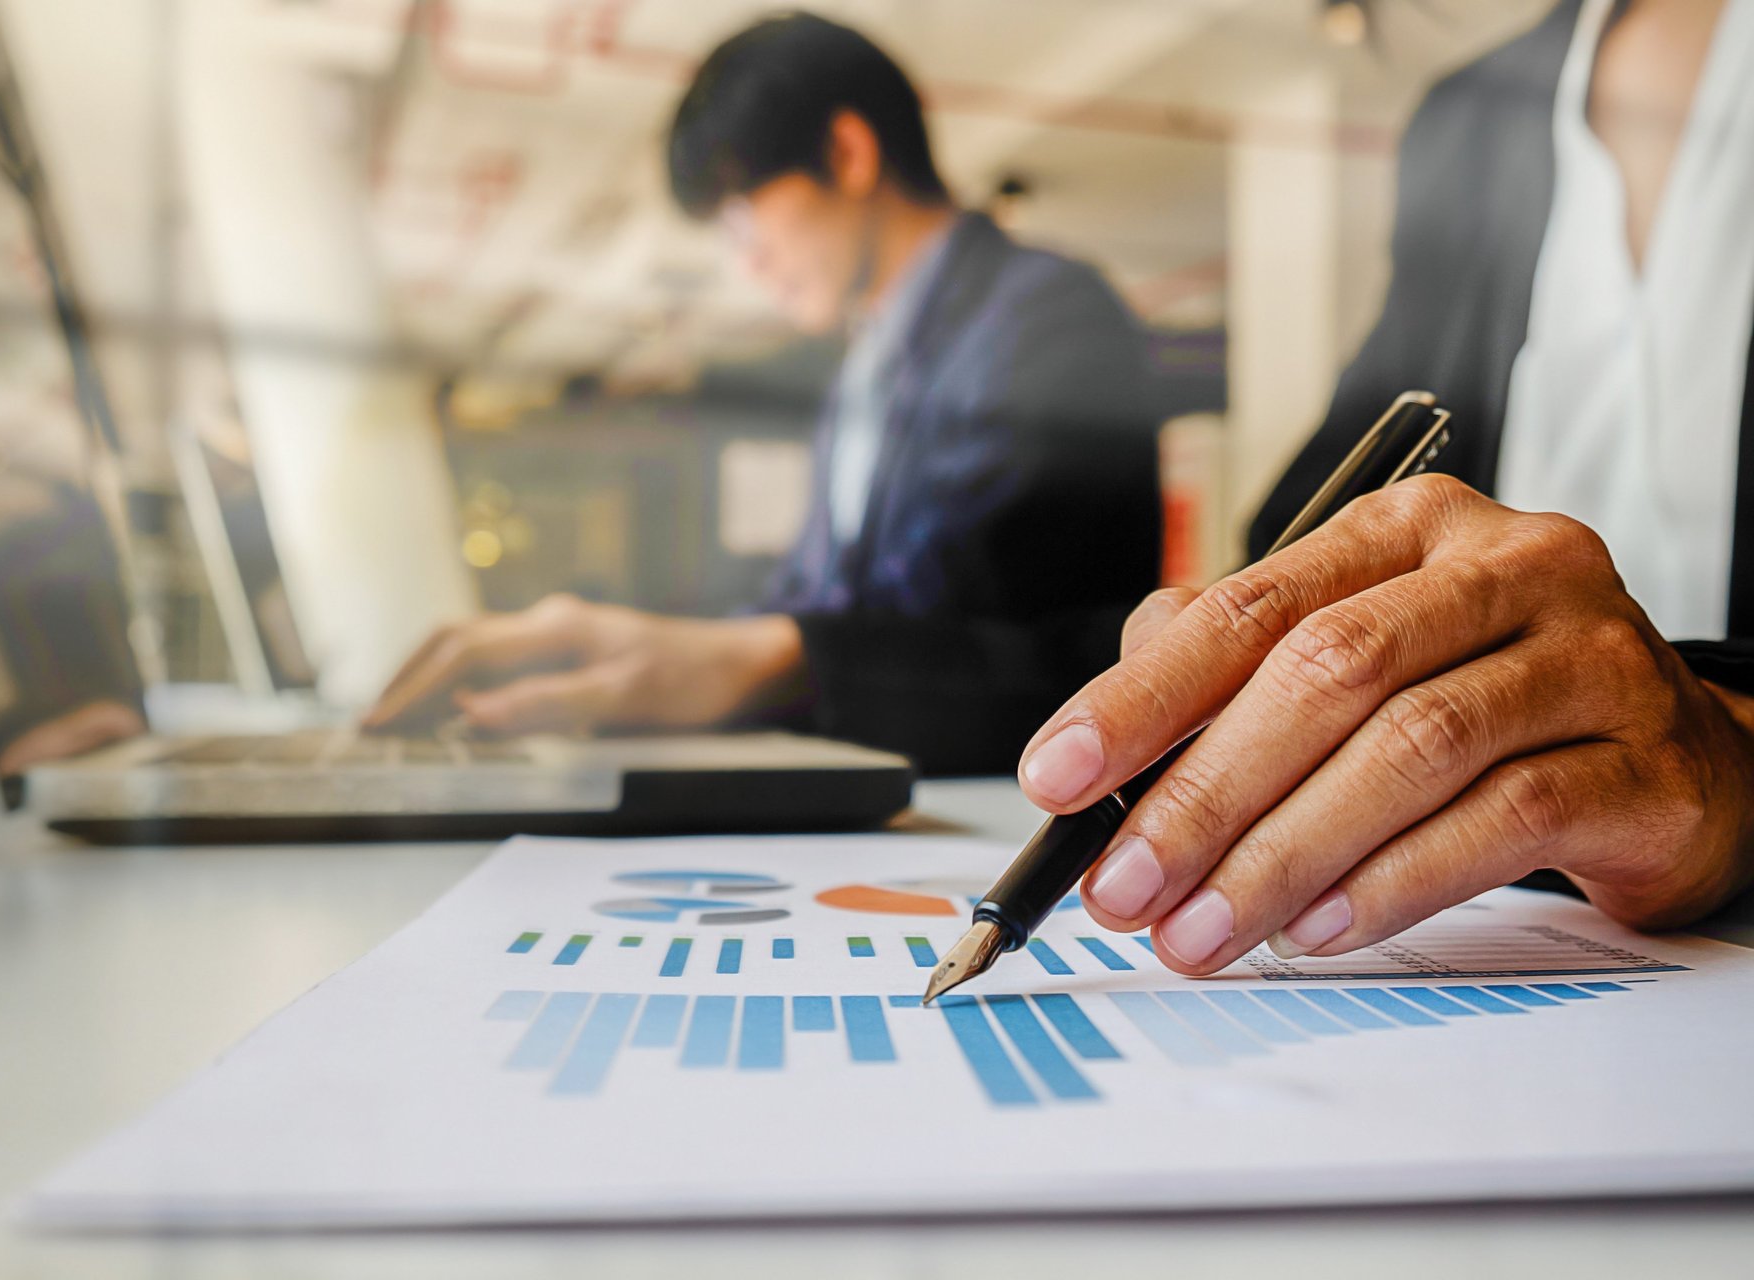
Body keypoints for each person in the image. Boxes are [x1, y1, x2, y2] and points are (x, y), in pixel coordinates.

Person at [1020, 0, 1754, 974]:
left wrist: (1732, 749)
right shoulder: (1466, 119)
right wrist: (1283, 638)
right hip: (1511, 934)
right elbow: (1316, 517)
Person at [365, 12, 1165, 774]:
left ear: (848, 154)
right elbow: (819, 597)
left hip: (1014, 807)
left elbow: (982, 626)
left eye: (746, 219)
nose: (747, 262)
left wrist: (733, 661)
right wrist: (671, 653)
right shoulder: (861, 367)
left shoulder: (1045, 313)